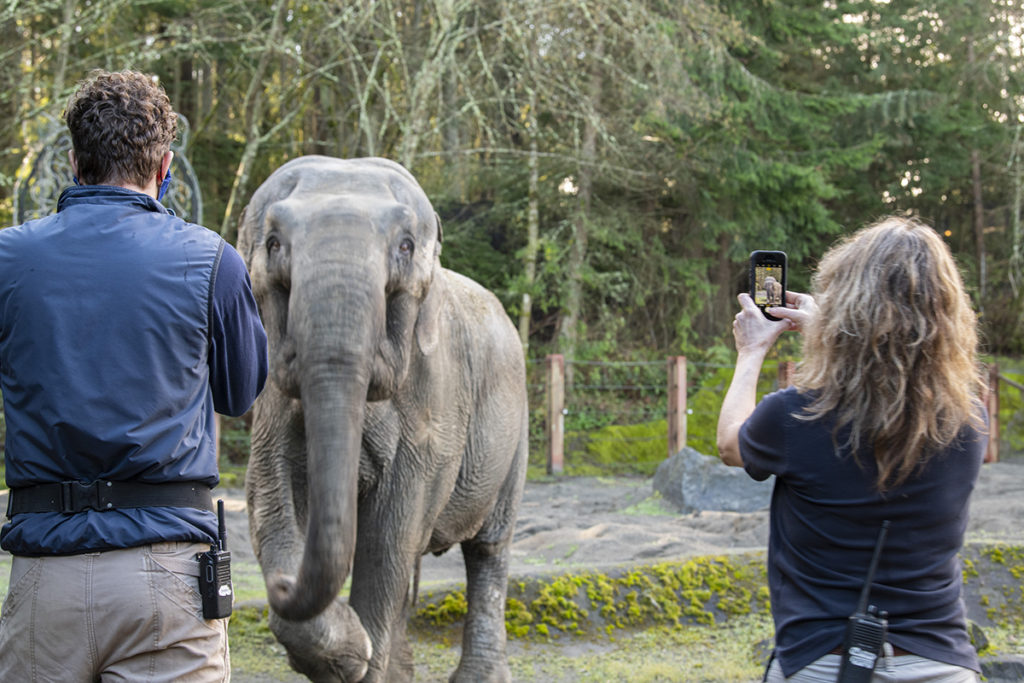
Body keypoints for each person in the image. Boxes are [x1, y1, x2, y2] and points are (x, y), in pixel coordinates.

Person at [0, 70, 268, 682]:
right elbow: (240, 390)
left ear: (73, 162)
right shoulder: (211, 260)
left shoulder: (8, 258)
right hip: (169, 583)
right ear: (165, 165)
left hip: (45, 580)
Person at [717, 217, 987, 682]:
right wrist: (834, 330)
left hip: (821, 660)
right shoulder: (968, 423)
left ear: (847, 304)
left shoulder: (794, 417)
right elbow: (894, 381)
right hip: (940, 662)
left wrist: (752, 351)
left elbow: (730, 443)